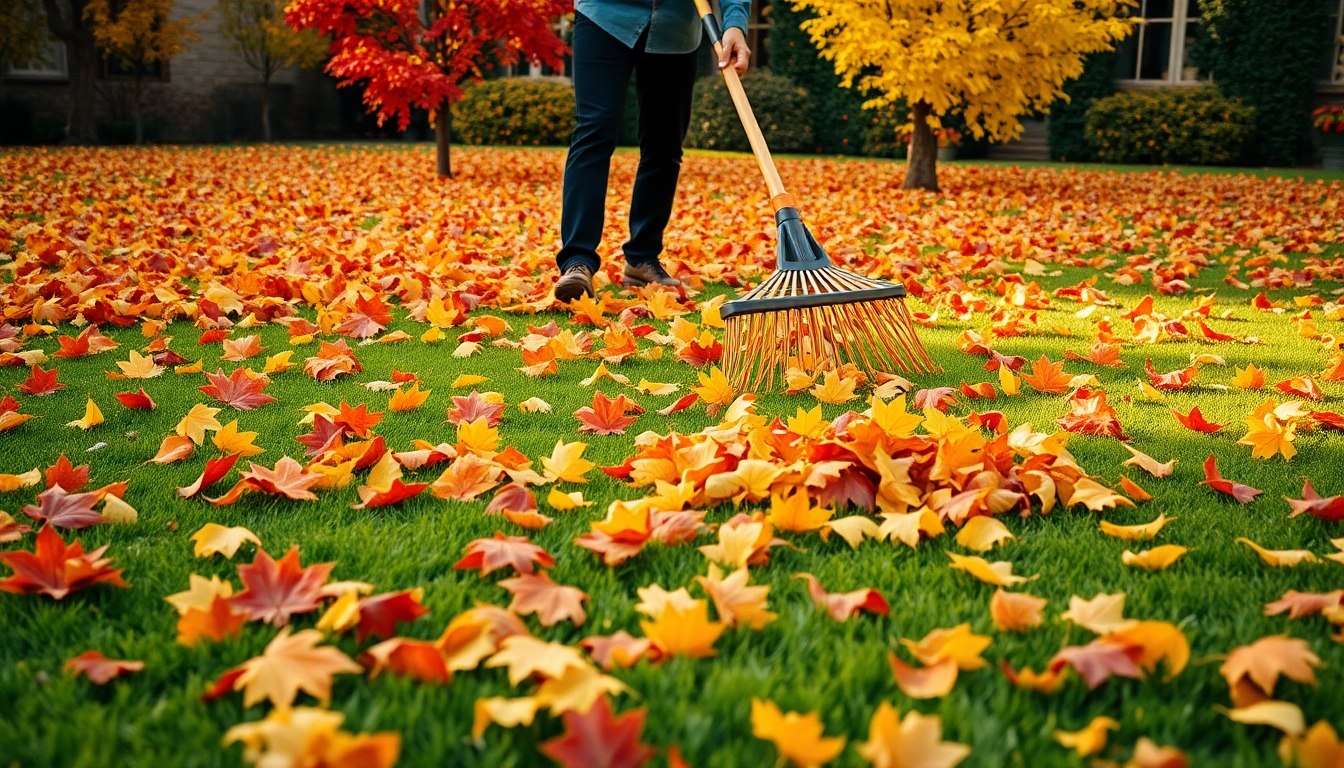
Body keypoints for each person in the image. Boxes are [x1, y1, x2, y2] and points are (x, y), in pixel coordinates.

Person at [553, 0, 752, 302]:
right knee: (595, 131)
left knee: (665, 142)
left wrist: (735, 23)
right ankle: (576, 261)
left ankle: (642, 259)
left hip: (676, 29)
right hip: (605, 14)